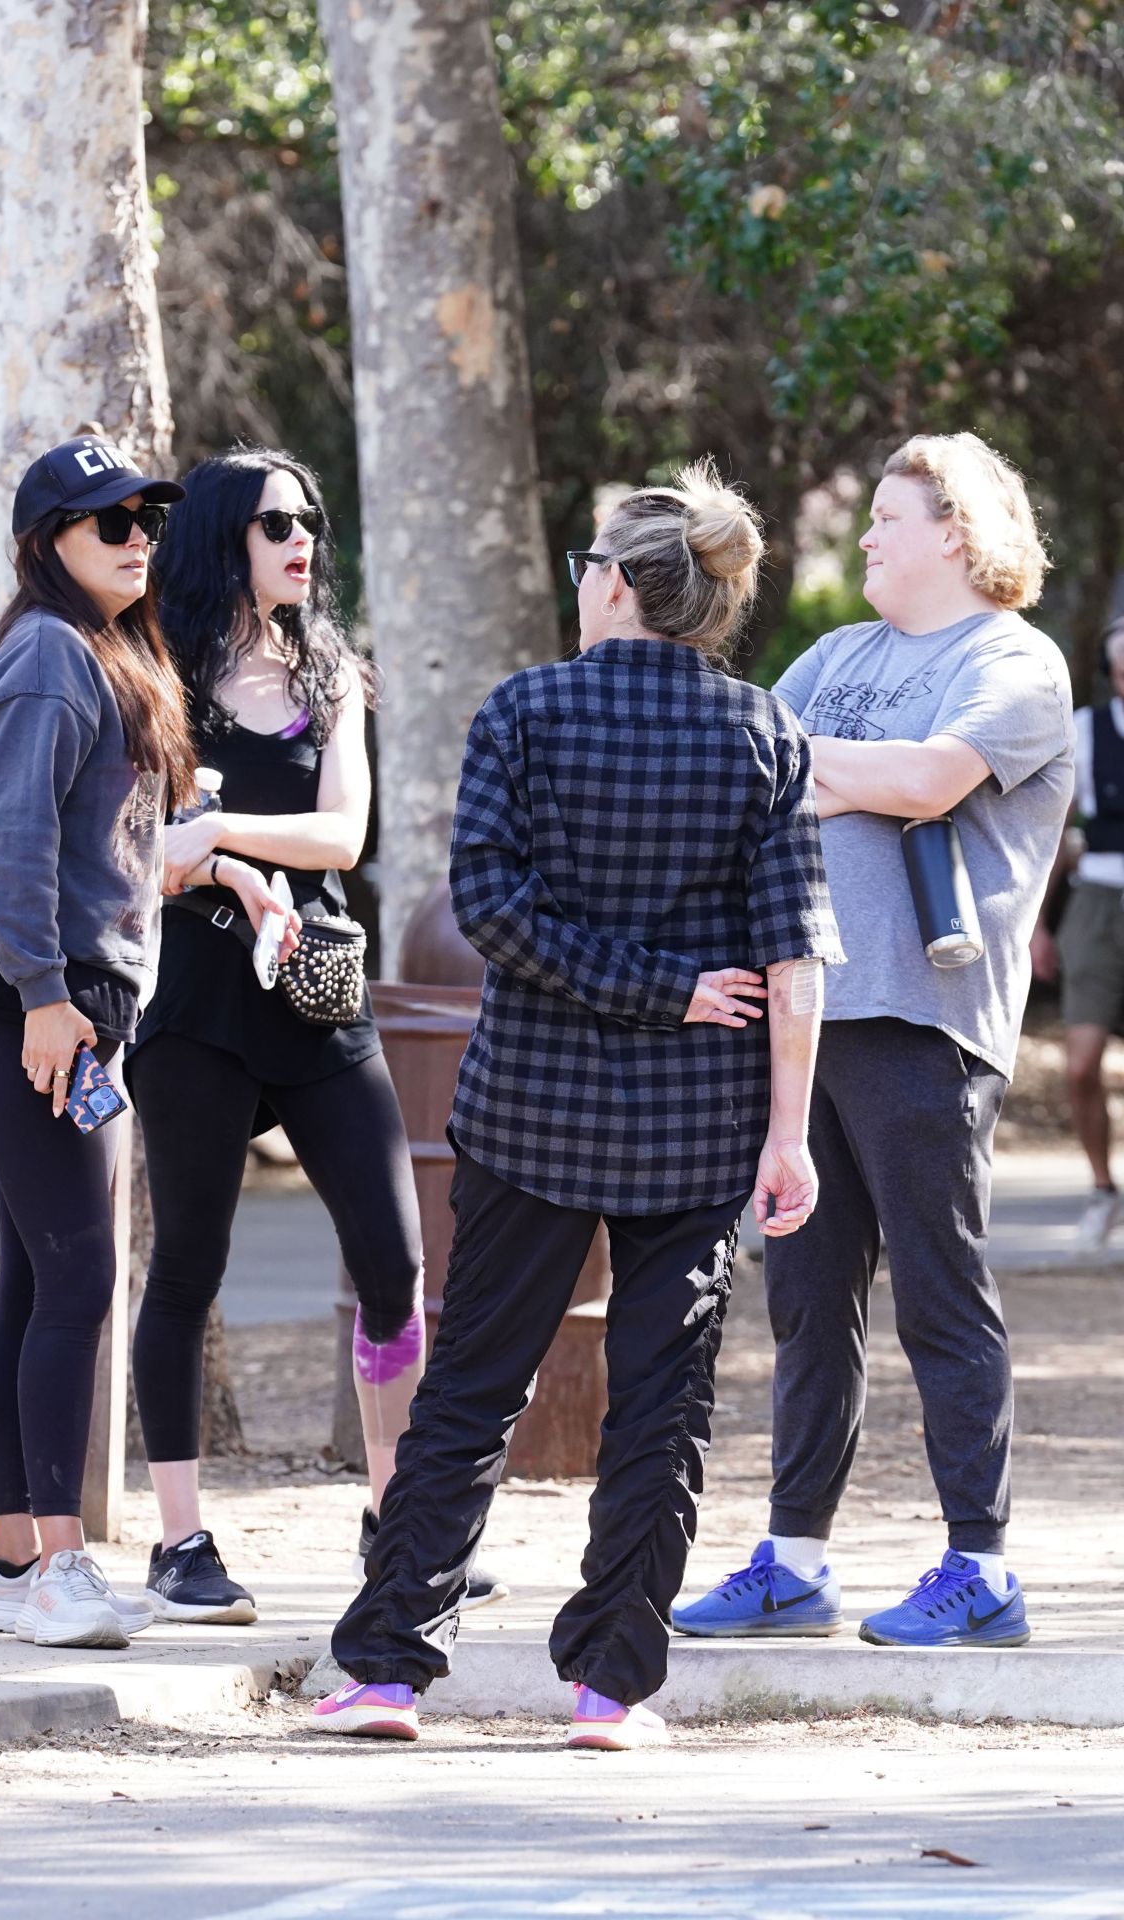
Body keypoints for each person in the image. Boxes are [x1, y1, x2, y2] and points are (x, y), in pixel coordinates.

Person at [313, 461, 843, 1749]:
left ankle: (388, 1668)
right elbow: (793, 965)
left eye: (584, 568)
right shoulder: (765, 733)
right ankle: (610, 1688)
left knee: (472, 1386)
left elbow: (488, 912)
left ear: (613, 585)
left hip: (530, 1116)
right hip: (703, 1126)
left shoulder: (524, 713)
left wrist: (640, 987)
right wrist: (784, 1129)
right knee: (663, 1403)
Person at [676, 431, 1073, 1650]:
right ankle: (793, 1560)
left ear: (952, 530)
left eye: (886, 519)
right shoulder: (837, 653)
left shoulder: (1013, 660)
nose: (863, 538)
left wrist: (842, 774)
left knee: (940, 1298)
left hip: (921, 1023)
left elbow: (931, 777)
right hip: (802, 1025)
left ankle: (980, 1569)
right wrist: (852, 775)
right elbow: (740, 772)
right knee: (804, 1302)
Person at [124, 446, 505, 1624]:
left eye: (311, 525)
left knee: (396, 1266)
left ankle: (394, 1522)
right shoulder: (153, 669)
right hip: (189, 1003)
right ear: (221, 536)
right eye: (276, 523)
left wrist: (222, 838)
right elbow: (142, 843)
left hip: (317, 983)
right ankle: (180, 1542)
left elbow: (342, 837)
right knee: (186, 1265)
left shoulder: (329, 670)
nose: (302, 544)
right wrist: (206, 856)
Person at [0, 433, 207, 1649]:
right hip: (34, 1007)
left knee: (41, 1282)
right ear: (46, 543)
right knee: (80, 1280)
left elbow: (91, 848)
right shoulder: (53, 652)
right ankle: (55, 1566)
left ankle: (11, 1563)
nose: (137, 539)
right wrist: (47, 992)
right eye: (110, 523)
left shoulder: (102, 652)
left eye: (145, 520)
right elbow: (1, 843)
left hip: (64, 1004)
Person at [1030, 617, 1124, 1249]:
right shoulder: (1086, 732)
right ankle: (1101, 1188)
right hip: (1098, 902)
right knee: (1082, 1062)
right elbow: (1052, 836)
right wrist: (1037, 923)